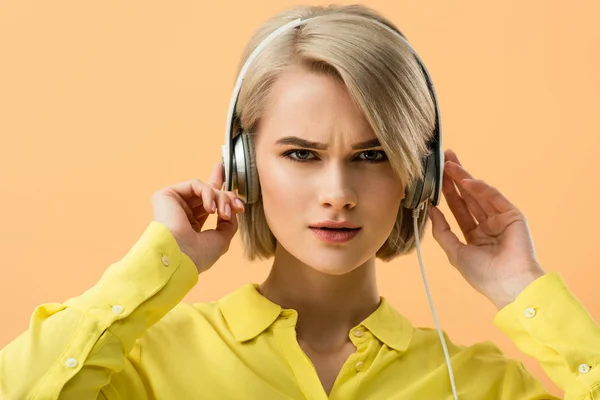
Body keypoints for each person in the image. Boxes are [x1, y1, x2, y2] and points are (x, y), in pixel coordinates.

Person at [1, 4, 599, 399]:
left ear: (418, 176)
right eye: (301, 154)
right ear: (245, 166)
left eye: (373, 155)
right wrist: (157, 264)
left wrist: (521, 288)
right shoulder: (143, 364)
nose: (337, 195)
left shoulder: (478, 384)